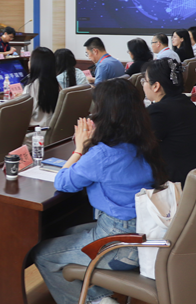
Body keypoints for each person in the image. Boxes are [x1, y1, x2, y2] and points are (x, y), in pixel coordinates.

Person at [33, 79, 167, 304]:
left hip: (120, 244)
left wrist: (79, 149)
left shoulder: (103, 155)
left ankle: (97, 301)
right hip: (145, 231)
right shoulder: (145, 142)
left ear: (105, 114)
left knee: (43, 255)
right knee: (66, 232)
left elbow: (63, 182)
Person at [142, 59, 196, 184]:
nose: (143, 85)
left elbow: (139, 146)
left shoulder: (159, 111)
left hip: (177, 182)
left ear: (156, 86)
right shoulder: (185, 102)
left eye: (145, 81)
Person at [24, 47, 60, 128]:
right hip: (51, 130)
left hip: (34, 132)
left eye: (30, 60)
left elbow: (23, 114)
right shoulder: (56, 83)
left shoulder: (31, 87)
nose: (28, 63)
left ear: (35, 64)